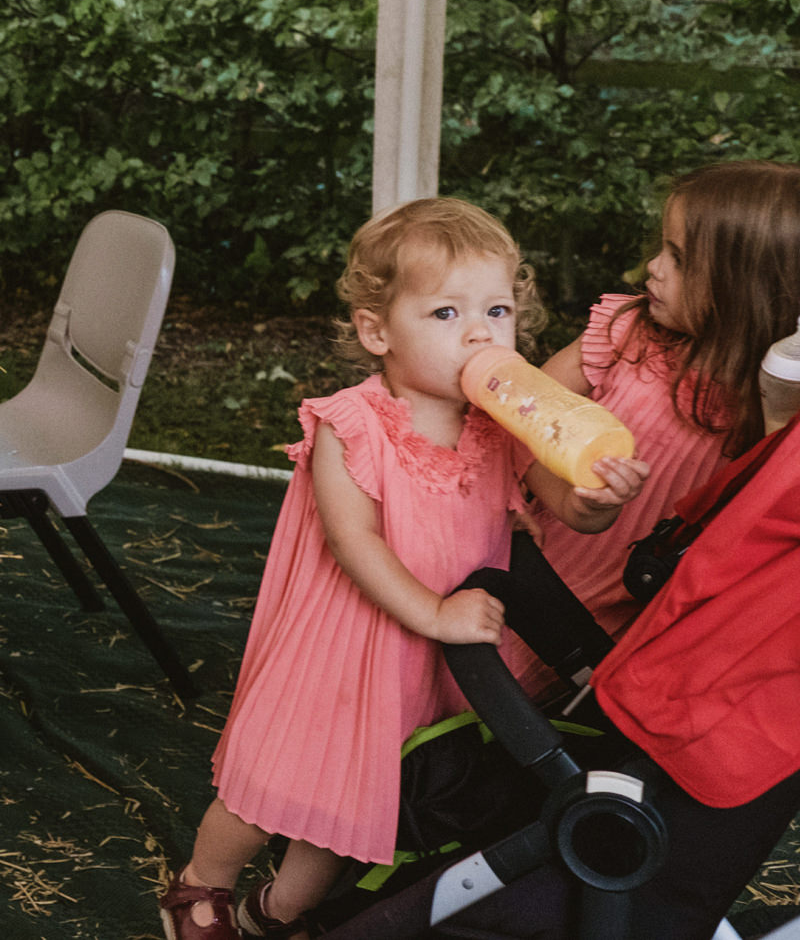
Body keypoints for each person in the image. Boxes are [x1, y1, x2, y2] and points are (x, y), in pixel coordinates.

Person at [159, 199, 652, 940]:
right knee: (278, 782)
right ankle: (204, 883)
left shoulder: (502, 425)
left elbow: (564, 505)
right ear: (376, 332)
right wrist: (434, 612)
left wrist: (597, 498)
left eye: (496, 310)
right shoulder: (351, 423)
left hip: (428, 661)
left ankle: (281, 909)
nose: (481, 333)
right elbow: (353, 540)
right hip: (344, 652)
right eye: (447, 313)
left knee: (363, 798)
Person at [525, 160, 800, 649]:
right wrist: (561, 500)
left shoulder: (775, 409)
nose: (653, 266)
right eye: (663, 249)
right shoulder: (626, 333)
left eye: (680, 259)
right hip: (529, 564)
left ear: (744, 288)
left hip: (611, 630)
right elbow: (517, 416)